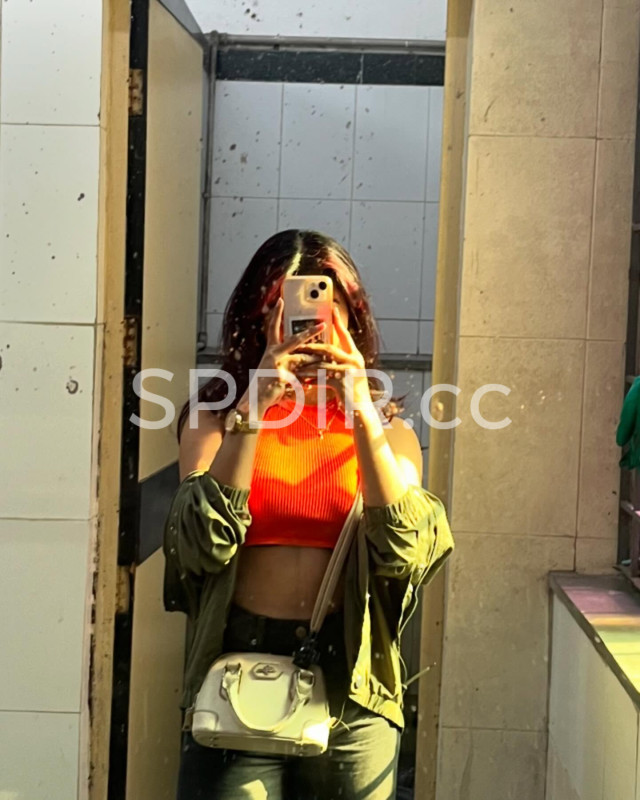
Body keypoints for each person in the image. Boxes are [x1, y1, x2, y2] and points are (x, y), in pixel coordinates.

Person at [164, 229, 454, 800]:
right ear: (258, 319)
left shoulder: (389, 432)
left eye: (327, 308)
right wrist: (256, 403)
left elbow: (404, 550)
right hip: (237, 669)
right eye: (283, 308)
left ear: (351, 319)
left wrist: (361, 410)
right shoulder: (217, 419)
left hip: (353, 682)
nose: (307, 326)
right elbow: (200, 540)